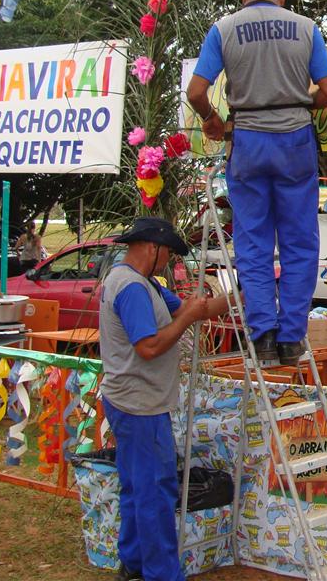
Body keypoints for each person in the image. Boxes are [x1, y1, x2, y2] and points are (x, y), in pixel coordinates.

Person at [187, 0, 327, 366]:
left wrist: (213, 119)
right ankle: (291, 339)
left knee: (254, 245)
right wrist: (302, 103)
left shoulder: (224, 28)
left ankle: (263, 337)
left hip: (248, 142)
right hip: (295, 144)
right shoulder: (306, 28)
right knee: (299, 243)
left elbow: (196, 91)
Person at [98, 217, 231, 581]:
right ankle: (161, 573)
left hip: (134, 401)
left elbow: (195, 309)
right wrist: (187, 318)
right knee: (156, 491)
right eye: (168, 253)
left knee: (137, 485)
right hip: (140, 405)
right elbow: (149, 347)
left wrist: (241, 295)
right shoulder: (132, 289)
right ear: (152, 246)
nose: (169, 262)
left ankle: (135, 562)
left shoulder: (144, 285)